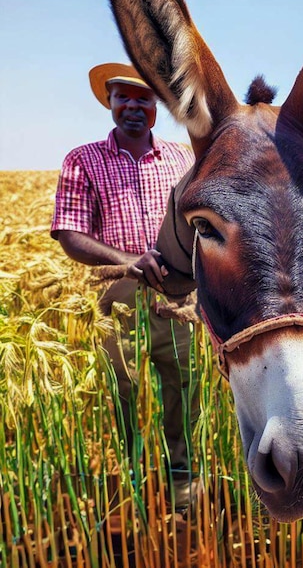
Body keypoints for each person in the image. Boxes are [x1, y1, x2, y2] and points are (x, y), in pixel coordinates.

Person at [51, 63, 198, 508]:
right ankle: (131, 483)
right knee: (121, 393)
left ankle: (182, 481)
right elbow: (69, 233)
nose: (133, 107)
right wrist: (128, 262)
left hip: (179, 299)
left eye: (144, 99)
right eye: (123, 98)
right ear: (110, 103)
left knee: (184, 393)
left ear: (157, 107)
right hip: (116, 299)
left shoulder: (184, 159)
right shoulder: (83, 159)